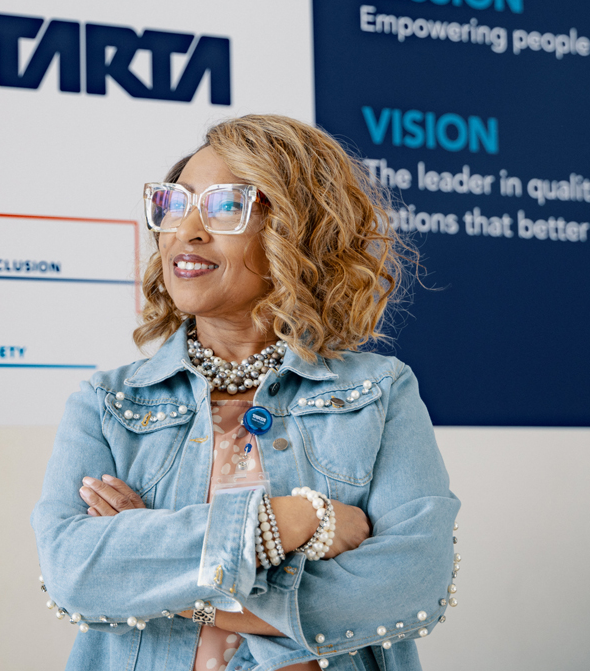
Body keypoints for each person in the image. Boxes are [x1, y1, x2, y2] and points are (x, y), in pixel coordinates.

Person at [32, 114, 460, 671]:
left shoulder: (378, 393)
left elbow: (411, 585)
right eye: (175, 203)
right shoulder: (109, 404)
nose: (186, 230)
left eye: (225, 206)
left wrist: (165, 583)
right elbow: (73, 572)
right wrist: (291, 520)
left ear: (294, 230)